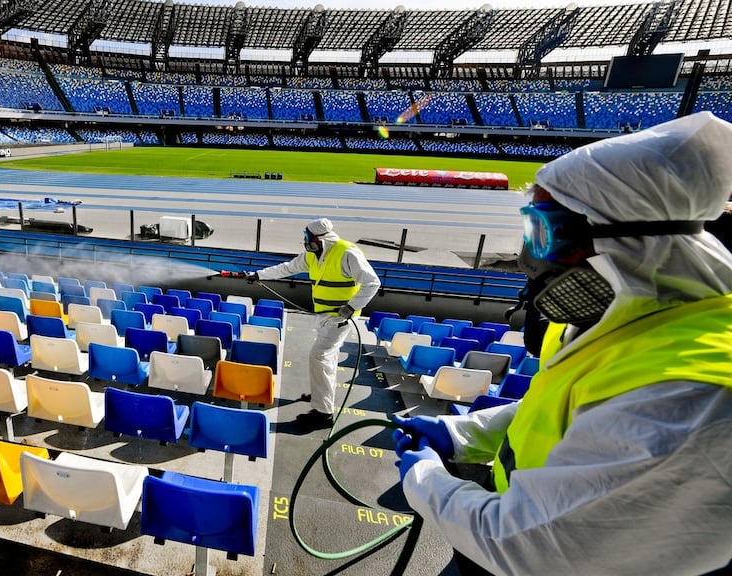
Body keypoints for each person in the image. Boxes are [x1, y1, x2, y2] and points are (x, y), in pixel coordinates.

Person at [393, 111, 732, 575]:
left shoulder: (694, 398)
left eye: (543, 232)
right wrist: (460, 435)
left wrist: (423, 477)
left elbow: (531, 551)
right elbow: (555, 411)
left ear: (626, 241)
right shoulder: (601, 320)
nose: (528, 257)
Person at [245, 218, 379, 431]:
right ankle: (321, 395)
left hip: (340, 318)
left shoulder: (347, 253)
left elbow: (372, 282)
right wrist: (258, 275)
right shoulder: (312, 255)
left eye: (307, 237)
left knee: (318, 356)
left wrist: (351, 307)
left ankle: (323, 414)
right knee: (328, 358)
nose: (305, 241)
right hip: (323, 316)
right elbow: (287, 268)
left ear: (319, 238)